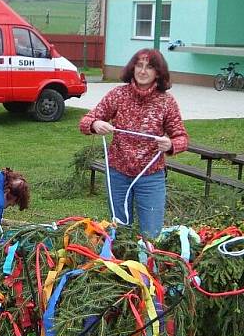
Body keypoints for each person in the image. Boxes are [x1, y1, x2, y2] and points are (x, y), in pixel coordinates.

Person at [79, 48, 188, 238]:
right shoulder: (118, 95)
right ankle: (121, 265)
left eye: (149, 67)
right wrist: (96, 124)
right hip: (118, 174)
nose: (143, 71)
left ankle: (148, 264)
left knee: (152, 233)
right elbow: (85, 122)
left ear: (158, 72)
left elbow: (182, 138)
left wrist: (170, 145)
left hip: (151, 176)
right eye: (139, 65)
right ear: (133, 68)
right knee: (119, 231)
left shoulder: (166, 102)